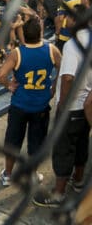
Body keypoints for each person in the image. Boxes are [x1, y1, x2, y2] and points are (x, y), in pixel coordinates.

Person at [0, 17, 61, 187]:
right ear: (40, 33)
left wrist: (9, 85)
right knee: (36, 141)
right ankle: (32, 173)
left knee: (13, 140)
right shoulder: (51, 50)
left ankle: (8, 174)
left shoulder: (17, 53)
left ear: (23, 34)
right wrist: (53, 87)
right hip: (40, 104)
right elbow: (62, 70)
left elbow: (1, 74)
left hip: (20, 104)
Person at [33, 16, 90, 207]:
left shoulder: (73, 45)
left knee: (63, 150)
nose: (63, 20)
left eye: (68, 17)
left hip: (72, 106)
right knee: (82, 142)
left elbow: (67, 78)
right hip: (87, 106)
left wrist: (63, 104)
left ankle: (58, 194)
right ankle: (79, 180)